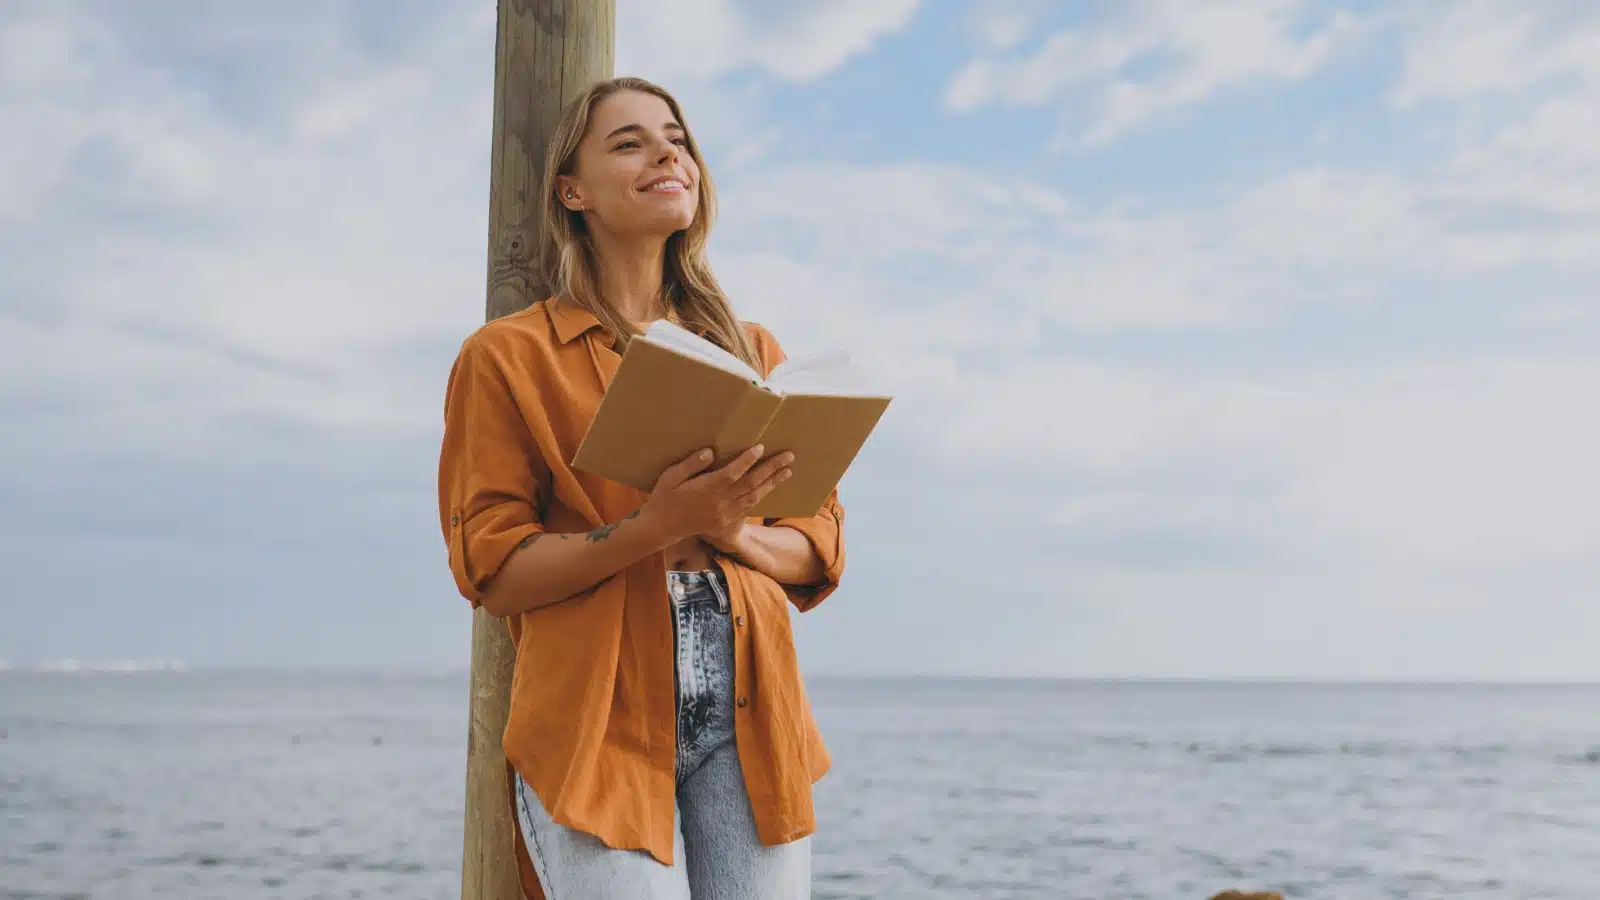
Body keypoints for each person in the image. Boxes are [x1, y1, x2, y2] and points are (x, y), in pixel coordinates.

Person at [436, 76, 845, 899]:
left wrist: (734, 532)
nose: (668, 152)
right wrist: (659, 525)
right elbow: (492, 568)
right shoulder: (510, 357)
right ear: (572, 191)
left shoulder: (753, 349)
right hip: (597, 704)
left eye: (677, 138)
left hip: (753, 700)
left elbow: (818, 545)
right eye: (629, 142)